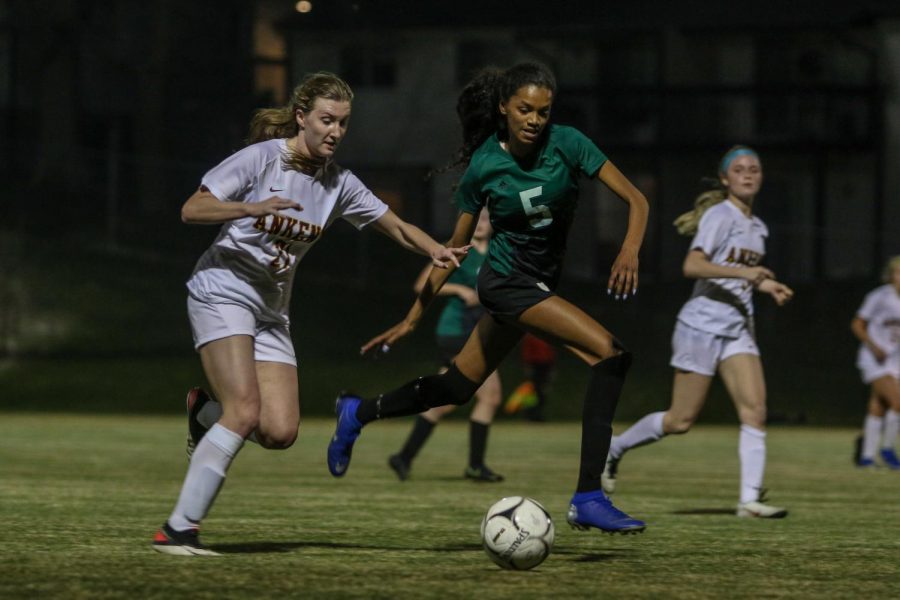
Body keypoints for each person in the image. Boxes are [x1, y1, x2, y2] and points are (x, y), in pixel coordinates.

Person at [151, 72, 469, 556]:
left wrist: (437, 250)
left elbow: (398, 227)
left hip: (272, 311)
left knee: (279, 432)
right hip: (223, 290)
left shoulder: (339, 182)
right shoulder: (261, 159)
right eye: (327, 120)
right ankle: (178, 530)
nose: (336, 131)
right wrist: (249, 207)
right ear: (302, 117)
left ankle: (204, 414)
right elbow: (192, 210)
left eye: (343, 123)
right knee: (245, 412)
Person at [329, 62, 651, 534]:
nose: (535, 119)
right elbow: (453, 252)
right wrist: (413, 316)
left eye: (543, 111)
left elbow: (638, 201)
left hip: (535, 287)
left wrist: (629, 249)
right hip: (505, 285)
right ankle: (588, 496)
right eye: (524, 109)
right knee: (611, 356)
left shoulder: (569, 144)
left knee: (455, 388)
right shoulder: (485, 164)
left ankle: (356, 412)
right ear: (504, 107)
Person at [602, 146, 794, 519]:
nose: (748, 174)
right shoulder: (720, 216)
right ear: (725, 179)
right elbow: (693, 265)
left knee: (755, 411)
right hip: (701, 326)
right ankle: (615, 449)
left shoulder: (758, 227)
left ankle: (749, 500)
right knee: (680, 420)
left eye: (754, 169)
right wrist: (745, 274)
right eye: (739, 170)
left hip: (736, 329)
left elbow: (740, 275)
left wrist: (764, 284)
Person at [387, 209, 505, 483]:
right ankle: (475, 466)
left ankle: (403, 456)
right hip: (456, 330)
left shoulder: (498, 252)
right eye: (477, 219)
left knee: (444, 400)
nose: (480, 224)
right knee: (490, 395)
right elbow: (421, 284)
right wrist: (461, 291)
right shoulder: (460, 249)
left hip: (477, 331)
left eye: (486, 219)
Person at [850, 256, 900, 469]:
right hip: (874, 359)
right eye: (898, 273)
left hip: (895, 360)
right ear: (890, 275)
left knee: (878, 406)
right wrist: (873, 345)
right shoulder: (879, 296)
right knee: (898, 402)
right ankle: (888, 449)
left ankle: (867, 457)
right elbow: (857, 324)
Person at [504, 333, 557, 422]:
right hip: (534, 366)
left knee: (543, 392)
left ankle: (538, 414)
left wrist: (552, 369)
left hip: (546, 366)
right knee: (531, 393)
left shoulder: (547, 335)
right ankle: (529, 415)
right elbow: (526, 352)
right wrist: (528, 367)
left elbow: (551, 353)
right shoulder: (531, 335)